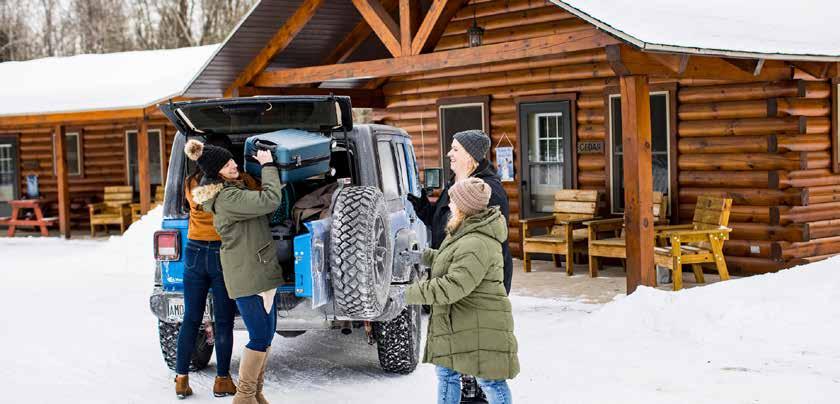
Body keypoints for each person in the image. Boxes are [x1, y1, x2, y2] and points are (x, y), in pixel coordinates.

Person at [408, 129, 513, 402]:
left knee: (479, 366)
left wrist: (412, 292)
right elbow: (444, 223)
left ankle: (475, 396)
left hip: (475, 286)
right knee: (451, 366)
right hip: (456, 277)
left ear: (471, 155)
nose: (449, 154)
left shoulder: (485, 190)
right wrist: (422, 206)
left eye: (455, 149)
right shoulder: (458, 182)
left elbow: (481, 244)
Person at [186, 139, 285, 404]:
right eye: (226, 164)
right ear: (216, 172)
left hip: (259, 269)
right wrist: (268, 167)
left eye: (232, 160)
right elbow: (270, 200)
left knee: (266, 336)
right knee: (259, 336)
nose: (233, 165)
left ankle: (255, 394)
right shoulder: (227, 198)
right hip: (247, 273)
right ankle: (244, 397)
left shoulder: (234, 189)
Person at [174, 136, 259, 399]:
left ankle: (181, 379)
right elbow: (257, 195)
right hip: (222, 253)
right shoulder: (234, 186)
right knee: (223, 321)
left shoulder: (191, 183)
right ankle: (222, 380)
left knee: (191, 317)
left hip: (194, 252)